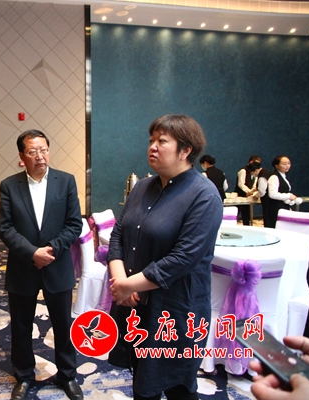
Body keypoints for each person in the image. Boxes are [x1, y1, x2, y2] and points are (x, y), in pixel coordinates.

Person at [106, 114, 223, 400]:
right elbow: (119, 234)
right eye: (151, 140)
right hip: (136, 305)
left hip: (175, 309)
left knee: (176, 385)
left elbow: (184, 257)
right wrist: (121, 281)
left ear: (185, 150)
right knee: (141, 381)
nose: (153, 147)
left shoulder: (204, 195)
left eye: (162, 141)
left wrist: (128, 285)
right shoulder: (142, 187)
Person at [0, 130, 83, 400]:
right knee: (21, 325)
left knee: (63, 324)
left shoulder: (65, 181)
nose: (40, 156)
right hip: (23, 266)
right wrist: (32, 252)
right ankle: (24, 376)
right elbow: (5, 228)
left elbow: (74, 224)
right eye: (33, 151)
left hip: (57, 264)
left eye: (44, 150)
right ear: (22, 156)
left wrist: (51, 249)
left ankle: (67, 375)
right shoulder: (9, 185)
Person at [265, 155, 298, 228]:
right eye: (284, 164)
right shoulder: (274, 177)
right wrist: (288, 196)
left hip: (283, 206)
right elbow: (272, 194)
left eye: (289, 163)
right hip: (275, 208)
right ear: (276, 165)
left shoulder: (283, 176)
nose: (287, 166)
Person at [235, 155, 262, 226]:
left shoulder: (256, 172)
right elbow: (241, 184)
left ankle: (247, 226)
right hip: (240, 195)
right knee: (236, 212)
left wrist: (252, 192)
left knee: (247, 214)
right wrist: (248, 191)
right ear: (251, 162)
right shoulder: (243, 171)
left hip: (249, 196)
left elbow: (255, 184)